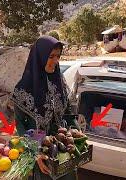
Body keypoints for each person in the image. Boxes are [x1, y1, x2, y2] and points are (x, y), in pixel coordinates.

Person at [12, 36, 77, 180]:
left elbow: (68, 112)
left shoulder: (59, 79)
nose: (55, 61)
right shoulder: (23, 88)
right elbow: (20, 124)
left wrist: (76, 133)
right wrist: (36, 152)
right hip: (41, 150)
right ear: (40, 56)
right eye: (51, 56)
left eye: (58, 56)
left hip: (63, 146)